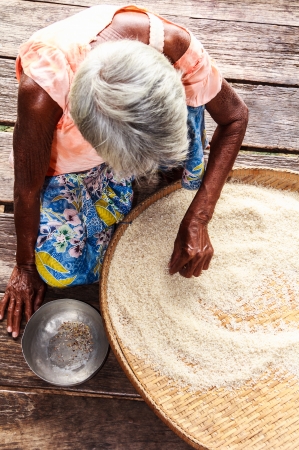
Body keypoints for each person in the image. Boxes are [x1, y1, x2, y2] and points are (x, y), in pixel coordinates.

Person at [0, 5, 248, 338]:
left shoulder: (172, 46)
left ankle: (167, 155)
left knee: (195, 116)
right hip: (74, 164)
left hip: (140, 119)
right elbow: (26, 190)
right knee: (61, 270)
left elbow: (235, 117)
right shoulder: (44, 89)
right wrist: (25, 267)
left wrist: (199, 217)